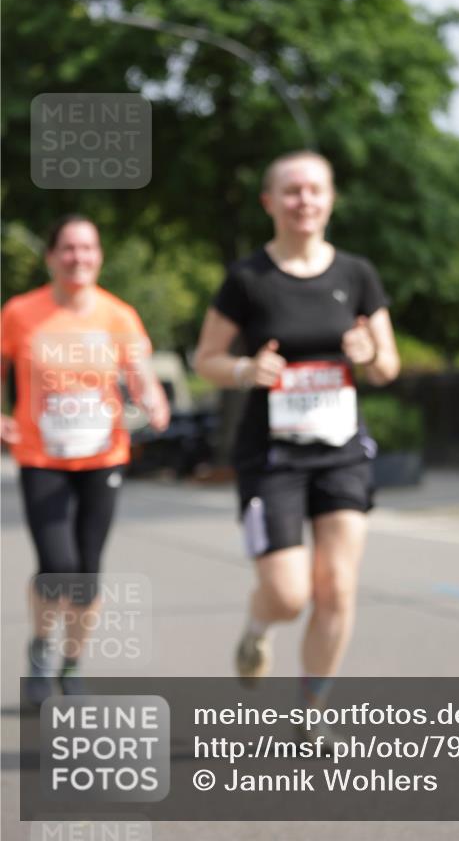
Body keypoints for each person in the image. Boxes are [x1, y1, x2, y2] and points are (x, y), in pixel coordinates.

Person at [194, 151, 400, 722]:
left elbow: (388, 368)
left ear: (330, 198)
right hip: (272, 456)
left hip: (341, 453)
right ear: (270, 202)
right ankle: (258, 627)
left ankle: (312, 710)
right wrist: (242, 371)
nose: (303, 200)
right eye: (291, 191)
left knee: (336, 587)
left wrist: (370, 354)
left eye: (314, 190)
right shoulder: (247, 279)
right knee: (289, 595)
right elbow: (205, 357)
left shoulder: (356, 275)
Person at [1, 215, 170, 704]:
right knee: (58, 564)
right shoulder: (20, 313)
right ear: (51, 256)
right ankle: (39, 648)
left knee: (86, 573)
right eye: (69, 249)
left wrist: (154, 400)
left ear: (99, 256)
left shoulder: (119, 316)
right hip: (41, 455)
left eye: (88, 248)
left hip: (103, 456)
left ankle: (71, 664)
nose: (79, 258)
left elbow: (140, 375)